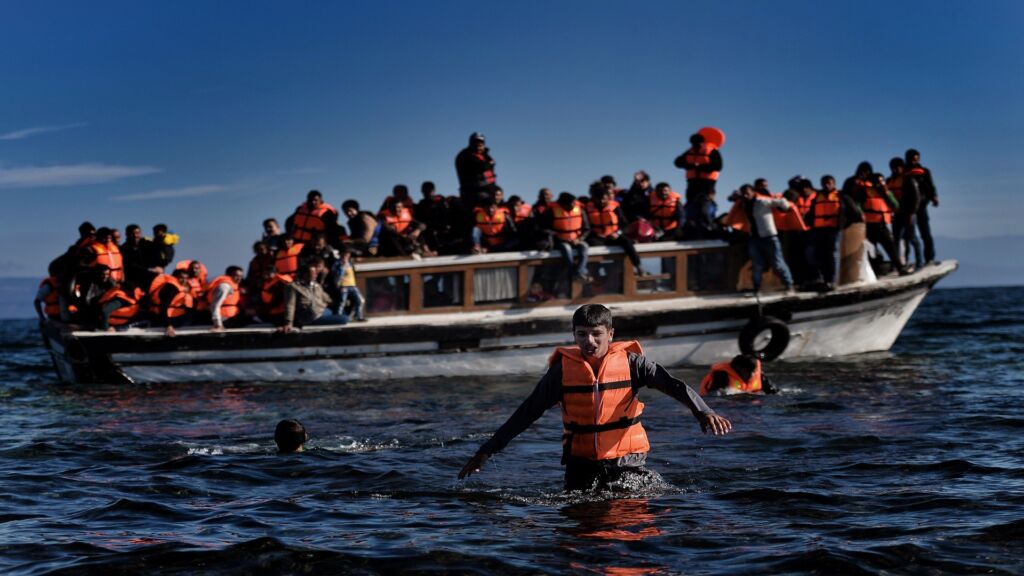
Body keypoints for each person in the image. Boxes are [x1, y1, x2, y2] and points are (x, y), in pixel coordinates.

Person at [458, 304, 732, 491]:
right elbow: (527, 413)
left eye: (596, 334)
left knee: (628, 517)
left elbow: (674, 386)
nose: (589, 341)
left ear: (610, 334)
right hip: (581, 462)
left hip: (627, 459)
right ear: (574, 335)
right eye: (582, 334)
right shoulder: (561, 372)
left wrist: (703, 411)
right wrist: (486, 451)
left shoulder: (634, 363)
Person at [844, 163, 905, 274]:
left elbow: (895, 205)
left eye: (881, 181)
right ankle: (875, 271)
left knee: (891, 248)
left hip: (882, 225)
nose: (880, 183)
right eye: (877, 181)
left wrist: (886, 193)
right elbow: (857, 204)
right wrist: (860, 214)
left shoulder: (886, 192)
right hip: (870, 226)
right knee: (871, 250)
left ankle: (900, 268)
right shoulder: (865, 191)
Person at [739, 184, 796, 294]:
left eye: (748, 193)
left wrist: (787, 208)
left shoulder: (762, 202)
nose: (746, 196)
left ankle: (789, 285)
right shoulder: (744, 205)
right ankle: (757, 288)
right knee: (757, 264)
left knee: (778, 263)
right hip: (754, 239)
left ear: (753, 192)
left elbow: (781, 201)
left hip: (770, 237)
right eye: (744, 194)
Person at [584, 182, 643, 275]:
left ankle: (638, 266)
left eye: (604, 199)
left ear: (607, 197)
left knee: (626, 242)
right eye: (599, 199)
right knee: (590, 244)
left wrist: (618, 233)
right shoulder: (587, 208)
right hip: (597, 237)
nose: (602, 201)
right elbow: (585, 226)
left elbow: (625, 225)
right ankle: (593, 272)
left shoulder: (614, 207)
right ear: (594, 198)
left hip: (614, 235)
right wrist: (595, 234)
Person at [279, 258, 347, 332]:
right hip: (310, 316)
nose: (315, 275)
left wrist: (339, 301)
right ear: (305, 275)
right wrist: (288, 323)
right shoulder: (294, 287)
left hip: (322, 310)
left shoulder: (316, 285)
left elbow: (326, 298)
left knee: (341, 310)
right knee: (344, 318)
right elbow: (290, 305)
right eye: (313, 273)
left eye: (316, 274)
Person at [674, 133, 722, 231]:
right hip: (692, 183)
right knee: (691, 204)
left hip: (707, 184)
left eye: (699, 143)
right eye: (694, 143)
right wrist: (689, 166)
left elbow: (718, 166)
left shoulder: (711, 151)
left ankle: (710, 225)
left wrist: (700, 167)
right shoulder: (689, 152)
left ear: (703, 142)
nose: (697, 145)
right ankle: (692, 227)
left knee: (706, 205)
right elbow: (678, 162)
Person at [542, 192, 591, 283]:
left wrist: (579, 239)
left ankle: (579, 271)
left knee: (584, 247)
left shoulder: (580, 210)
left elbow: (587, 228)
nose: (573, 205)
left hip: (577, 239)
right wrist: (558, 236)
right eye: (570, 203)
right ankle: (575, 273)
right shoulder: (551, 211)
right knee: (566, 248)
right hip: (560, 240)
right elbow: (544, 228)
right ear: (563, 204)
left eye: (574, 202)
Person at [889, 158, 924, 271]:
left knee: (912, 238)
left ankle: (920, 262)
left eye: (898, 167)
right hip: (896, 214)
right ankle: (896, 265)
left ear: (902, 168)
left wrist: (911, 213)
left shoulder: (908, 180)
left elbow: (916, 198)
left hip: (908, 214)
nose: (896, 169)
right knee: (896, 240)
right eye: (894, 167)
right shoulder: (889, 181)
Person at [905, 148, 938, 264]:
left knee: (926, 234)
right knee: (908, 236)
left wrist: (934, 197)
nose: (914, 161)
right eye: (912, 159)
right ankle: (906, 261)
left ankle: (929, 258)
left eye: (916, 159)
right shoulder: (903, 172)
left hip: (922, 206)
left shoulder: (924, 171)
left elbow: (930, 185)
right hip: (907, 209)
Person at [148, 267, 195, 337]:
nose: (184, 280)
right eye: (181, 278)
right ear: (175, 277)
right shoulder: (171, 288)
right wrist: (168, 326)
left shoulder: (180, 286)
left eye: (186, 278)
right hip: (168, 319)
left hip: (172, 316)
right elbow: (163, 306)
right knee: (198, 316)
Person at [699, 354, 777, 395]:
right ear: (739, 368)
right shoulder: (722, 376)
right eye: (748, 371)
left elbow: (774, 392)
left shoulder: (759, 375)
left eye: (753, 371)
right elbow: (714, 396)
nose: (752, 375)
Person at [455, 132, 497, 207]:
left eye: (481, 144)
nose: (478, 147)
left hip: (490, 192)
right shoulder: (465, 156)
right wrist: (488, 163)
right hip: (474, 195)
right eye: (475, 144)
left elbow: (490, 167)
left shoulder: (484, 155)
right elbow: (480, 167)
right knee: (479, 216)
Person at [207, 266, 248, 331]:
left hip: (232, 316)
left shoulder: (234, 285)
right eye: (236, 276)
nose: (239, 278)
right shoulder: (224, 287)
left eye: (241, 276)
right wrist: (218, 325)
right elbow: (215, 305)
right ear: (228, 275)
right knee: (249, 317)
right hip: (224, 319)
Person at [335, 250, 365, 322]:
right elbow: (336, 276)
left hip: (352, 285)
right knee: (342, 302)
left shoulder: (350, 263)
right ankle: (338, 317)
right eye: (344, 254)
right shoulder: (337, 264)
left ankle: (358, 316)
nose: (346, 256)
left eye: (347, 254)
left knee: (361, 300)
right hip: (344, 286)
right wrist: (342, 267)